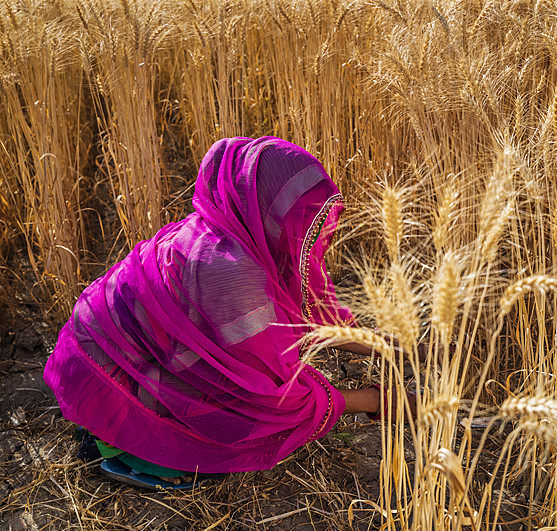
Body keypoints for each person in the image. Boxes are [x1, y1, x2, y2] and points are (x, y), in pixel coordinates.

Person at [44, 137, 407, 489]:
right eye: (298, 218)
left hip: (88, 360)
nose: (306, 232)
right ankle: (124, 451)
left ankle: (106, 423)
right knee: (247, 428)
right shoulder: (231, 273)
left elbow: (303, 320)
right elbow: (269, 395)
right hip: (105, 376)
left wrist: (392, 347)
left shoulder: (220, 231)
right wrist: (372, 399)